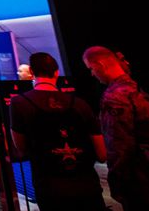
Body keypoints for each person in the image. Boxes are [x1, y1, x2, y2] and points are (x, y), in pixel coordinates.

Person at [9, 52, 106, 210]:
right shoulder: (80, 103)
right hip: (87, 185)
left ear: (32, 72)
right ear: (56, 72)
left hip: (49, 188)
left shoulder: (20, 103)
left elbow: (21, 147)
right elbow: (101, 153)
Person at [82, 45, 149, 210]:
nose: (92, 74)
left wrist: (117, 182)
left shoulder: (114, 97)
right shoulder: (139, 87)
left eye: (91, 68)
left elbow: (119, 146)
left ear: (100, 65)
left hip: (138, 178)